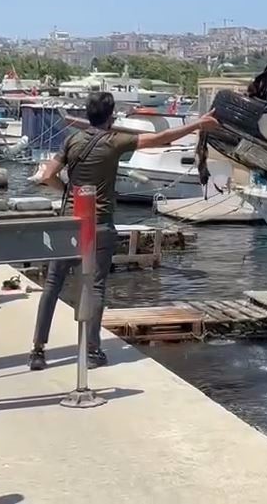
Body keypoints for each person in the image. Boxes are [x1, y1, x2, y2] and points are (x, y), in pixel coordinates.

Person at [28, 92, 221, 371]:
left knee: (52, 284)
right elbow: (159, 139)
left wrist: (67, 193)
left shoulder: (72, 140)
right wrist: (197, 125)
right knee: (95, 286)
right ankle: (93, 352)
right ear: (111, 115)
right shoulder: (115, 141)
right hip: (99, 224)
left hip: (67, 221)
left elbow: (47, 176)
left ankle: (38, 350)